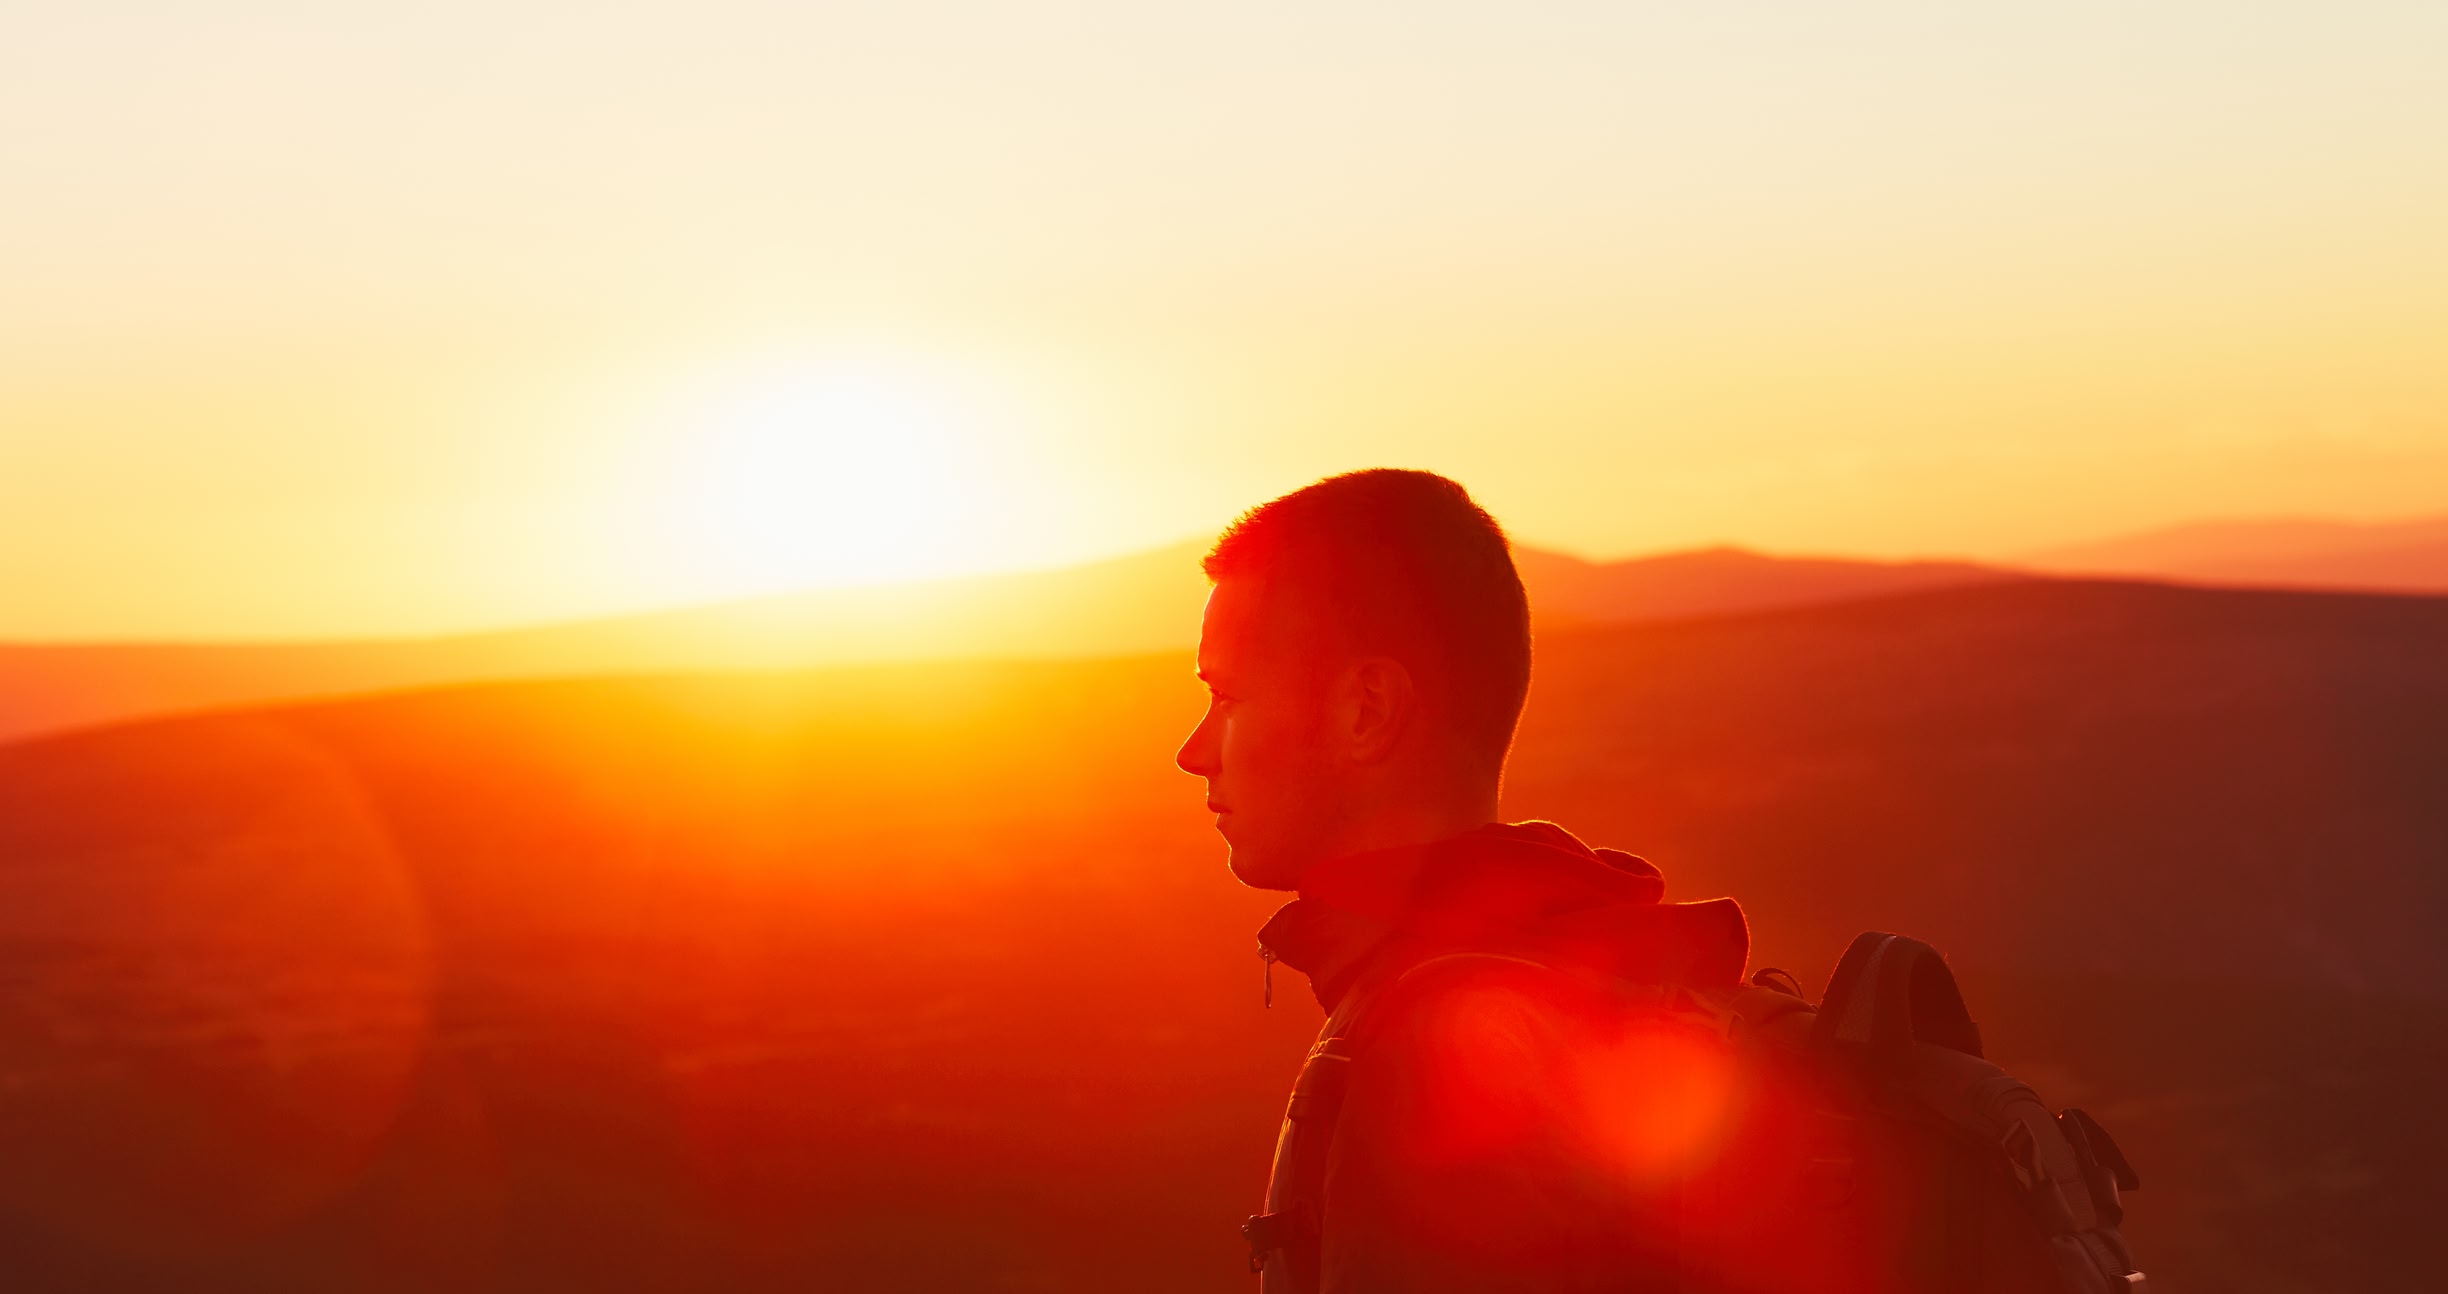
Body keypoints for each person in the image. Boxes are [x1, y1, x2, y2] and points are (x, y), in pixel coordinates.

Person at [1176, 469, 1750, 1294]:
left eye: (1227, 698)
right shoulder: (1611, 972)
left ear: (1366, 709)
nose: (1193, 751)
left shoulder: (1433, 1065)